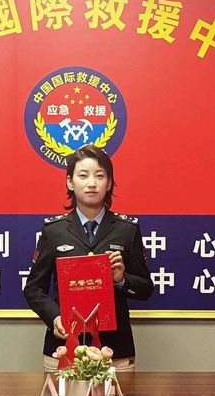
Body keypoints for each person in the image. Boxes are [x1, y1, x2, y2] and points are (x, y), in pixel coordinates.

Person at [24, 144, 153, 371]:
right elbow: (34, 289)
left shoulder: (127, 229)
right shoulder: (54, 231)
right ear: (70, 182)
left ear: (109, 183)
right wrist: (55, 318)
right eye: (83, 176)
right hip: (63, 349)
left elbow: (145, 289)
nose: (92, 183)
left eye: (99, 176)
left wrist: (121, 280)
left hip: (115, 351)